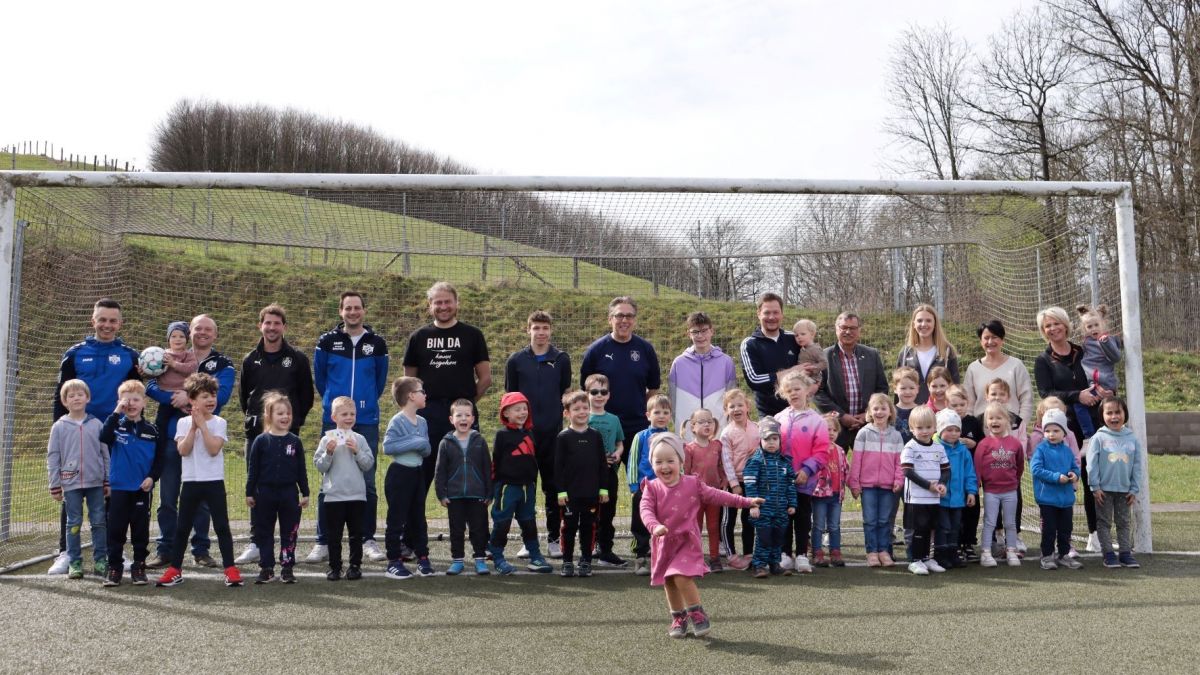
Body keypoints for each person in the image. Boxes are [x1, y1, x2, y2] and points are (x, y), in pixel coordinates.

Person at [640, 432, 762, 638]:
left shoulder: (692, 483)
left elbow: (717, 495)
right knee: (669, 581)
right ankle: (678, 618)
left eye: (670, 461)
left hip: (686, 541)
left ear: (681, 461)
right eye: (658, 462)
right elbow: (645, 510)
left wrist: (746, 502)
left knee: (680, 576)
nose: (665, 466)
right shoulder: (651, 488)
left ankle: (696, 611)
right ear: (652, 464)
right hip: (664, 542)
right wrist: (654, 526)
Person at [49, 298, 139, 575]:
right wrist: (59, 430)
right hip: (78, 433)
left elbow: (136, 394)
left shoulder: (130, 355)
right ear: (93, 321)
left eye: (113, 320)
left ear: (120, 324)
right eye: (102, 319)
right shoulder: (74, 354)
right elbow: (60, 396)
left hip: (117, 434)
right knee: (72, 490)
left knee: (114, 492)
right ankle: (66, 551)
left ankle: (114, 550)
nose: (107, 325)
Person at [148, 314, 235, 570]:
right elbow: (150, 384)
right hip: (171, 438)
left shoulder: (222, 363)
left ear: (215, 334)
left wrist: (188, 398)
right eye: (198, 328)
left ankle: (201, 549)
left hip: (204, 440)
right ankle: (165, 549)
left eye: (208, 329)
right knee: (168, 497)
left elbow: (223, 395)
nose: (203, 333)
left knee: (202, 499)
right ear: (189, 333)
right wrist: (168, 399)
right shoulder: (170, 356)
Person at [309, 291, 389, 565]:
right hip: (333, 419)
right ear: (340, 311)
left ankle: (367, 539)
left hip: (365, 419)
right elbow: (320, 379)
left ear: (364, 311)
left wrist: (361, 407)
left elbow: (379, 383)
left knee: (366, 479)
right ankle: (322, 542)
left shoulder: (377, 343)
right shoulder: (327, 342)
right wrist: (336, 406)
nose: (353, 312)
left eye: (357, 308)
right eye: (348, 308)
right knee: (327, 479)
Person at [235, 304, 314, 565]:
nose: (271, 327)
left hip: (286, 437)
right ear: (261, 326)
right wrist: (258, 423)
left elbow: (306, 396)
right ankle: (257, 542)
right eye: (267, 323)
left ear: (284, 327)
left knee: (286, 488)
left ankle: (287, 544)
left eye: (276, 323)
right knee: (256, 487)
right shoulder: (250, 359)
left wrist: (293, 424)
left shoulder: (298, 359)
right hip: (257, 437)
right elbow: (244, 398)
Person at [155, 372, 241, 587]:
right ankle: (175, 569)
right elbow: (183, 450)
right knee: (182, 527)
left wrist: (203, 425)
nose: (211, 400)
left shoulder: (219, 422)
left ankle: (230, 569)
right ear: (192, 400)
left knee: (221, 526)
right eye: (204, 396)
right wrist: (193, 427)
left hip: (214, 482)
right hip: (191, 482)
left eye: (213, 395)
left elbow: (213, 449)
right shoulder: (183, 423)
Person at [1034, 306, 1108, 552]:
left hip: (1093, 426)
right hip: (1064, 431)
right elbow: (1046, 394)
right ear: (1044, 331)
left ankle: (1095, 533)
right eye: (1048, 326)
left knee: (1091, 480)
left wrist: (1103, 390)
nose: (1053, 329)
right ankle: (1058, 540)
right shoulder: (1043, 360)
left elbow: (1101, 371)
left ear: (1066, 325)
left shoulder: (1083, 351)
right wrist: (1078, 396)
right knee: (1063, 481)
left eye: (1056, 324)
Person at [404, 282, 491, 492]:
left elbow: (486, 378)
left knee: (465, 471)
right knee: (421, 472)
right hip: (428, 413)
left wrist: (466, 405)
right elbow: (409, 383)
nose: (443, 307)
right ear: (430, 305)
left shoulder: (472, 335)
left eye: (447, 302)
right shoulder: (418, 337)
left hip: (462, 413)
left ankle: (465, 523)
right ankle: (415, 524)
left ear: (456, 303)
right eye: (438, 302)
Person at [505, 310, 569, 560]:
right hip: (525, 437)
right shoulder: (515, 361)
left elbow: (565, 394)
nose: (541, 333)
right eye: (536, 328)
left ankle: (554, 539)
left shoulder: (562, 359)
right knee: (525, 489)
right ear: (528, 330)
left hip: (553, 436)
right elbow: (511, 398)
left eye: (545, 328)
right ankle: (528, 540)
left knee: (553, 489)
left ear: (550, 331)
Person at [100, 380, 162, 587]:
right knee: (116, 530)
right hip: (119, 488)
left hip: (141, 489)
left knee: (140, 531)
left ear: (144, 402)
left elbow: (159, 461)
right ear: (120, 403)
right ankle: (115, 568)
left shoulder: (153, 430)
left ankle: (138, 566)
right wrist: (117, 411)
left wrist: (152, 478)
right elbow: (103, 435)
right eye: (127, 400)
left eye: (136, 399)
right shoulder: (116, 425)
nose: (132, 404)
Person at [581, 296, 661, 455]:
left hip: (637, 426)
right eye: (619, 315)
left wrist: (643, 413)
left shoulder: (646, 349)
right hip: (604, 425)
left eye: (629, 316)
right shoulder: (595, 351)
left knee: (638, 477)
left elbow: (653, 389)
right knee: (604, 478)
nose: (624, 320)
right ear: (610, 319)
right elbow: (585, 390)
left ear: (635, 320)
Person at [245, 392, 310, 584]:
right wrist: (249, 492)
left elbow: (301, 469)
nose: (285, 417)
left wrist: (305, 492)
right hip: (264, 494)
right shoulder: (261, 441)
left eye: (287, 413)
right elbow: (253, 469)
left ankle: (287, 567)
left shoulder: (295, 441)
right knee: (264, 531)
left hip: (289, 494)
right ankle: (266, 567)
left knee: (289, 532)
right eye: (280, 413)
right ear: (269, 415)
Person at [47, 379, 109, 580]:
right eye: (71, 396)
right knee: (73, 522)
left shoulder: (97, 424)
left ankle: (101, 558)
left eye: (79, 394)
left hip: (95, 482)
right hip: (70, 484)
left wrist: (107, 479)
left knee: (98, 521)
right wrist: (55, 484)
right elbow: (53, 456)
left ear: (87, 398)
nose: (76, 398)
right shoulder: (59, 426)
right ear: (65, 401)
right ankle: (74, 561)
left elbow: (105, 455)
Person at [488, 392, 552, 575]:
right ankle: (498, 557)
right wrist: (493, 489)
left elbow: (533, 461)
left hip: (527, 488)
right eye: (517, 409)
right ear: (506, 413)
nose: (522, 412)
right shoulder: (501, 435)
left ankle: (535, 556)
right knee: (502, 523)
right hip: (507, 488)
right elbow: (495, 462)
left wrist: (533, 482)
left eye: (525, 409)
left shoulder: (530, 433)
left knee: (529, 522)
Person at [314, 396, 375, 582]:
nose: (349, 417)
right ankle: (335, 567)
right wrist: (329, 452)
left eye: (352, 414)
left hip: (357, 496)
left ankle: (355, 566)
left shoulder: (360, 439)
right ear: (334, 417)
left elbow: (368, 464)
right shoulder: (327, 439)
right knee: (334, 535)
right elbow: (319, 466)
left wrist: (357, 451)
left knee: (356, 534)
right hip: (334, 496)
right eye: (344, 414)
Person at [774, 369, 828, 574]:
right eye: (789, 390)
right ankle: (785, 554)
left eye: (797, 388)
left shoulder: (817, 420)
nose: (794, 393)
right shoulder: (779, 418)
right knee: (784, 516)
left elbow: (822, 450)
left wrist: (807, 470)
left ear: (807, 390)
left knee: (803, 517)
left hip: (805, 480)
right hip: (783, 479)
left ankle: (802, 555)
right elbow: (770, 446)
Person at [381, 377, 435, 579]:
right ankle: (394, 561)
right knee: (396, 518)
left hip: (417, 474)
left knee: (418, 518)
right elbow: (388, 447)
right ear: (411, 396)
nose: (425, 395)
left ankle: (423, 558)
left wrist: (421, 443)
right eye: (421, 391)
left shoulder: (422, 422)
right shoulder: (397, 420)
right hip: (400, 475)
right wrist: (415, 441)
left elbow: (427, 449)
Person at [434, 399, 492, 576]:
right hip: (455, 496)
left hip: (477, 495)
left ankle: (480, 559)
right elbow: (440, 471)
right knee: (456, 529)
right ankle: (457, 560)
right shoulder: (445, 442)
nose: (463, 418)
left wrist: (489, 493)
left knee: (479, 529)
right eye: (459, 415)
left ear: (473, 418)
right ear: (452, 419)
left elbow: (487, 468)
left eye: (467, 415)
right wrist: (441, 494)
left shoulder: (479, 441)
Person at [554, 390, 609, 578]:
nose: (582, 412)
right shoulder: (563, 437)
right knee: (568, 528)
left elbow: (603, 465)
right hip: (570, 495)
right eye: (576, 409)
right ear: (567, 413)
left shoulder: (595, 436)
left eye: (585, 408)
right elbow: (558, 468)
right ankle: (567, 561)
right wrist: (561, 492)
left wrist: (603, 489)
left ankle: (586, 561)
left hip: (591, 494)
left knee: (589, 527)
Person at [815, 311, 889, 449]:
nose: (848, 332)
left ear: (859, 330)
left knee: (868, 468)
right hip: (835, 426)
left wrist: (868, 413)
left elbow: (882, 388)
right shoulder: (823, 357)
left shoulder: (872, 355)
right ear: (836, 329)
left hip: (867, 423)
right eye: (843, 327)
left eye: (853, 328)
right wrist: (842, 416)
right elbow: (818, 393)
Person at [848, 393, 904, 568]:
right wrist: (854, 483)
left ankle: (884, 551)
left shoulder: (896, 436)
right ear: (870, 412)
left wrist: (898, 479)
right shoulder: (863, 434)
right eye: (876, 408)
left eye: (883, 408)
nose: (879, 412)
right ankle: (872, 552)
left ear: (890, 412)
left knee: (885, 520)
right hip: (868, 486)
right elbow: (856, 461)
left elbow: (900, 462)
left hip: (889, 487)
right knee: (870, 520)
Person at [1088, 397, 1142, 569]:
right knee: (1104, 523)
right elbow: (1091, 464)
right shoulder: (1099, 438)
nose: (1113, 416)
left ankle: (1125, 554)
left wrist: (1134, 488)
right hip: (1103, 490)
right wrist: (1095, 486)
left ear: (1124, 413)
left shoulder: (1132, 438)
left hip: (1125, 490)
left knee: (1124, 522)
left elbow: (1137, 465)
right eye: (1109, 412)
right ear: (1102, 415)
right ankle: (1109, 554)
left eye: (1117, 412)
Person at [669, 311, 738, 441]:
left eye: (704, 331)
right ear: (688, 334)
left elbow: (732, 399)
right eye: (695, 332)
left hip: (718, 432)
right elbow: (673, 401)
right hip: (688, 435)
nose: (700, 336)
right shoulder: (679, 363)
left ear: (712, 331)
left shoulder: (726, 362)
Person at [742, 418, 797, 578]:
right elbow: (750, 484)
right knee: (764, 538)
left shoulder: (785, 463)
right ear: (760, 440)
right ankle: (759, 565)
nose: (771, 442)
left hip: (781, 510)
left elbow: (790, 484)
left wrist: (792, 503)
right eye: (767, 439)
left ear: (780, 440)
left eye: (775, 439)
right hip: (763, 510)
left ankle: (775, 564)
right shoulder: (755, 461)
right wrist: (753, 505)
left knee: (778, 537)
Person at [1030, 408, 1083, 571]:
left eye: (1056, 430)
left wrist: (1074, 475)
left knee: (1066, 529)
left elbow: (1075, 466)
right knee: (1049, 529)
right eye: (1047, 430)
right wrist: (1055, 477)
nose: (1051, 434)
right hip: (1047, 499)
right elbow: (1036, 469)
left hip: (1066, 499)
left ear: (1064, 432)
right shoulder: (1041, 449)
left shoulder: (1067, 450)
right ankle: (1047, 555)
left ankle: (1064, 555)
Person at [625, 394, 673, 576]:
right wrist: (633, 487)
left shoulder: (671, 437)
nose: (661, 416)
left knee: (664, 522)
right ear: (648, 415)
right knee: (641, 522)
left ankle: (661, 555)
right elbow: (633, 461)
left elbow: (678, 463)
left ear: (670, 415)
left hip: (666, 490)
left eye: (665, 412)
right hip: (644, 489)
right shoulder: (640, 436)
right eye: (657, 412)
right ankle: (640, 556)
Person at [974, 402, 1025, 569]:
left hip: (1010, 491)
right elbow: (978, 467)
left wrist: (1014, 482)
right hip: (991, 492)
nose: (994, 421)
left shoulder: (1015, 444)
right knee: (990, 522)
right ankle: (986, 552)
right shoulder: (984, 444)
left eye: (999, 417)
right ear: (986, 422)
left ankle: (1011, 550)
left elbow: (1019, 466)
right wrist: (977, 485)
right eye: (991, 418)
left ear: (1007, 421)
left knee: (1010, 523)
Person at [901, 406, 949, 576]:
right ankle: (915, 560)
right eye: (919, 428)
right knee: (918, 530)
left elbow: (945, 469)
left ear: (934, 427)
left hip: (933, 498)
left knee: (930, 528)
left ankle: (927, 558)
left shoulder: (939, 448)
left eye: (928, 427)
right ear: (911, 428)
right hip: (916, 498)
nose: (924, 431)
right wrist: (929, 486)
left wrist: (942, 484)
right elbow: (907, 471)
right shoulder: (910, 447)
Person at [586, 373, 628, 568]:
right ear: (587, 394)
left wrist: (618, 453)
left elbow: (620, 442)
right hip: (589, 473)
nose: (599, 395)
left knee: (608, 511)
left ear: (609, 395)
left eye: (603, 392)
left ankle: (606, 549)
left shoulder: (614, 419)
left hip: (609, 471)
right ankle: (590, 547)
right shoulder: (583, 417)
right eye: (594, 392)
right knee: (590, 511)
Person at [962, 319, 1033, 426]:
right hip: (981, 431)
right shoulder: (973, 368)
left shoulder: (1016, 365)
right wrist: (971, 428)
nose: (990, 342)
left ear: (1002, 339)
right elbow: (968, 403)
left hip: (1011, 429)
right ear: (980, 341)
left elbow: (1026, 399)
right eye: (986, 338)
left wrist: (1020, 426)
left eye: (995, 337)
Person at [718, 389, 759, 570]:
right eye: (731, 406)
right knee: (729, 519)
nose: (736, 409)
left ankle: (749, 552)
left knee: (749, 517)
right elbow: (726, 461)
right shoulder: (727, 433)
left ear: (747, 407)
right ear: (726, 411)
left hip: (752, 481)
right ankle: (730, 554)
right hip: (733, 484)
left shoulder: (757, 428)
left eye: (739, 405)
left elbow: (764, 450)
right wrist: (734, 484)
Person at [739, 292, 798, 418]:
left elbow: (814, 363)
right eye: (767, 312)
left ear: (782, 314)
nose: (771, 317)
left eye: (776, 312)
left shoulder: (794, 338)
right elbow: (754, 380)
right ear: (758, 314)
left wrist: (812, 386)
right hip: (768, 415)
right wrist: (791, 372)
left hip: (798, 411)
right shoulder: (750, 344)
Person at [682, 408, 725, 571]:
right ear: (693, 427)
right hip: (696, 496)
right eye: (702, 422)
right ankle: (697, 557)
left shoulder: (717, 446)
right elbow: (685, 473)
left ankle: (714, 558)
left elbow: (721, 466)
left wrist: (724, 480)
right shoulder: (689, 448)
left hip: (714, 494)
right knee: (696, 527)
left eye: (710, 421)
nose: (707, 424)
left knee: (714, 527)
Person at [932, 409, 975, 570]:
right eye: (949, 430)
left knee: (956, 526)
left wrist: (971, 491)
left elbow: (970, 473)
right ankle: (940, 554)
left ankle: (952, 552)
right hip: (941, 497)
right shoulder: (935, 448)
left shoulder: (963, 450)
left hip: (958, 498)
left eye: (957, 430)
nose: (954, 433)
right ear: (940, 430)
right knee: (943, 526)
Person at [945, 384, 984, 559]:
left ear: (967, 403)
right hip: (952, 476)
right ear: (947, 405)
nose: (959, 408)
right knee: (954, 510)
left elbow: (983, 445)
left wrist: (974, 444)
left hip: (970, 474)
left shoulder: (973, 422)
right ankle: (955, 543)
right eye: (954, 405)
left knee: (972, 507)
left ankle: (969, 542)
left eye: (962, 404)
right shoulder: (945, 421)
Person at [896, 304, 960, 404]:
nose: (924, 324)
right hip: (912, 414)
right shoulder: (905, 353)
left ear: (935, 324)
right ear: (914, 324)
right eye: (919, 320)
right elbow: (898, 385)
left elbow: (955, 385)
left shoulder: (947, 351)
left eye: (928, 320)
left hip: (940, 412)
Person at [150, 321, 197, 451]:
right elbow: (153, 372)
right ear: (168, 339)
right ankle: (158, 453)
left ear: (187, 339)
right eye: (174, 336)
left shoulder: (189, 355)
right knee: (160, 426)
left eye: (181, 336)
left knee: (184, 427)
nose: (177, 339)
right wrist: (144, 371)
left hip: (183, 397)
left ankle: (183, 449)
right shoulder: (160, 354)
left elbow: (191, 368)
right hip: (166, 398)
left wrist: (174, 364)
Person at [810, 415, 848, 568]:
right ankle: (817, 552)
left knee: (834, 525)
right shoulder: (816, 450)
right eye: (827, 429)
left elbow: (845, 470)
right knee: (818, 524)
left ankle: (835, 552)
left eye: (834, 430)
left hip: (836, 494)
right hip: (820, 494)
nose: (831, 433)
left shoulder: (840, 450)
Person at [1076, 304, 1122, 393]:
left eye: (1096, 325)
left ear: (1103, 324)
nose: (1094, 329)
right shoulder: (1086, 342)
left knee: (1106, 405)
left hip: (1106, 384)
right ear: (1085, 329)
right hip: (1089, 385)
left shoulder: (1108, 340)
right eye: (1089, 327)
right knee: (1079, 405)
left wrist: (1105, 342)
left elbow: (1116, 357)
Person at [792, 318, 827, 383]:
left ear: (812, 334)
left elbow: (824, 363)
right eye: (796, 335)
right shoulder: (803, 348)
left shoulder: (815, 349)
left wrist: (812, 368)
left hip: (812, 379)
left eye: (803, 334)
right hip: (802, 377)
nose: (799, 337)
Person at [892, 367, 920, 443]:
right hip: (895, 451)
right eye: (903, 388)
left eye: (912, 388)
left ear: (917, 389)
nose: (907, 392)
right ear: (895, 389)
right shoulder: (891, 411)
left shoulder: (922, 411)